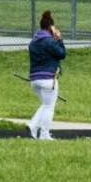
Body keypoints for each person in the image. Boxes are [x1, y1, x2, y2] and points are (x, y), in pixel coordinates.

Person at [26, 10, 66, 140]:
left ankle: (33, 125)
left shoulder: (33, 42)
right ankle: (44, 134)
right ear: (50, 27)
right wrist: (58, 39)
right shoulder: (49, 41)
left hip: (34, 79)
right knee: (49, 107)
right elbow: (62, 54)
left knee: (45, 104)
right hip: (48, 78)